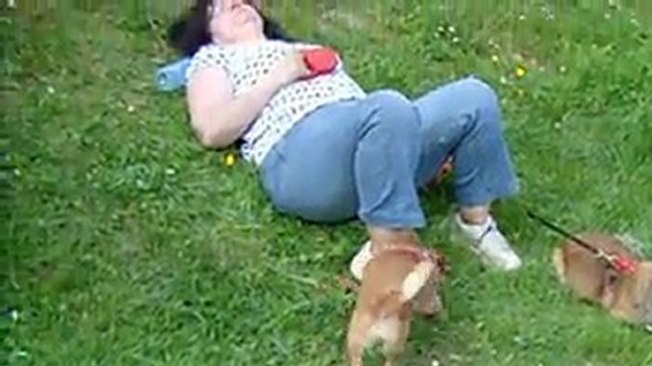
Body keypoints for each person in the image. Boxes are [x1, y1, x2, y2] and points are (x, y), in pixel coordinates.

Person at [168, 0, 524, 278]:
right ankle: (388, 251)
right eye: (221, 8)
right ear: (207, 32)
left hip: (364, 135)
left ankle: (475, 225)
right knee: (387, 106)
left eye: (243, 2)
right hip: (301, 158)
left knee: (474, 97)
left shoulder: (305, 47)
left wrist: (404, 143)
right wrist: (280, 75)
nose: (239, 6)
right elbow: (211, 129)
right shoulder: (213, 59)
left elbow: (374, 115)